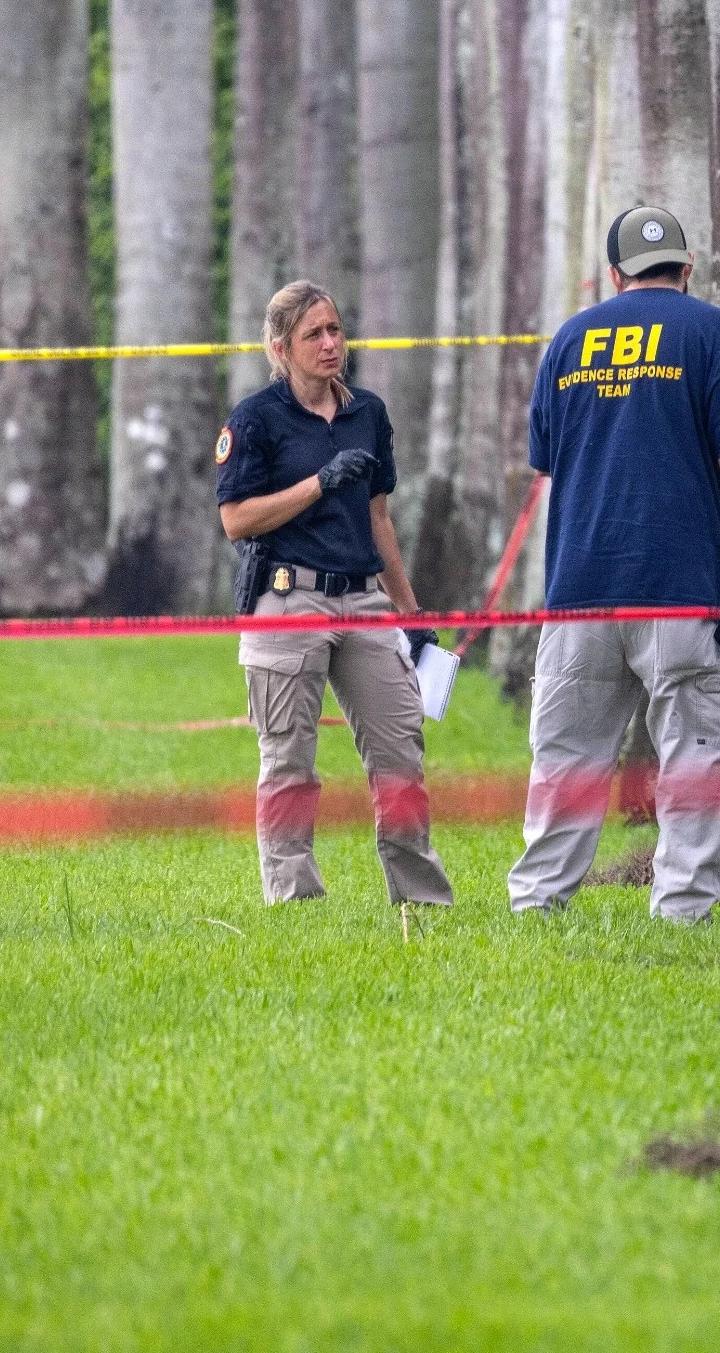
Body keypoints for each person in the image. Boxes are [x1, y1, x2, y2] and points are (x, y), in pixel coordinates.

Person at [506, 206, 720, 922]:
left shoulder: (568, 341)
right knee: (691, 756)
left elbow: (545, 462)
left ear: (614, 274)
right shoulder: (710, 331)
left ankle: (537, 902)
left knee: (566, 759)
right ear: (687, 270)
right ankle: (682, 908)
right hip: (682, 588)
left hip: (580, 588)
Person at [216, 279, 453, 935]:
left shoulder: (367, 414)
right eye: (313, 334)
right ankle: (292, 900)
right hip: (286, 598)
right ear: (280, 348)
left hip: (365, 599)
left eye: (335, 330)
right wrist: (318, 483)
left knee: (400, 754)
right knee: (289, 761)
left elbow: (381, 519)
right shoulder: (255, 419)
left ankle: (420, 896)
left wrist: (409, 611)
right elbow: (236, 519)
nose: (329, 344)